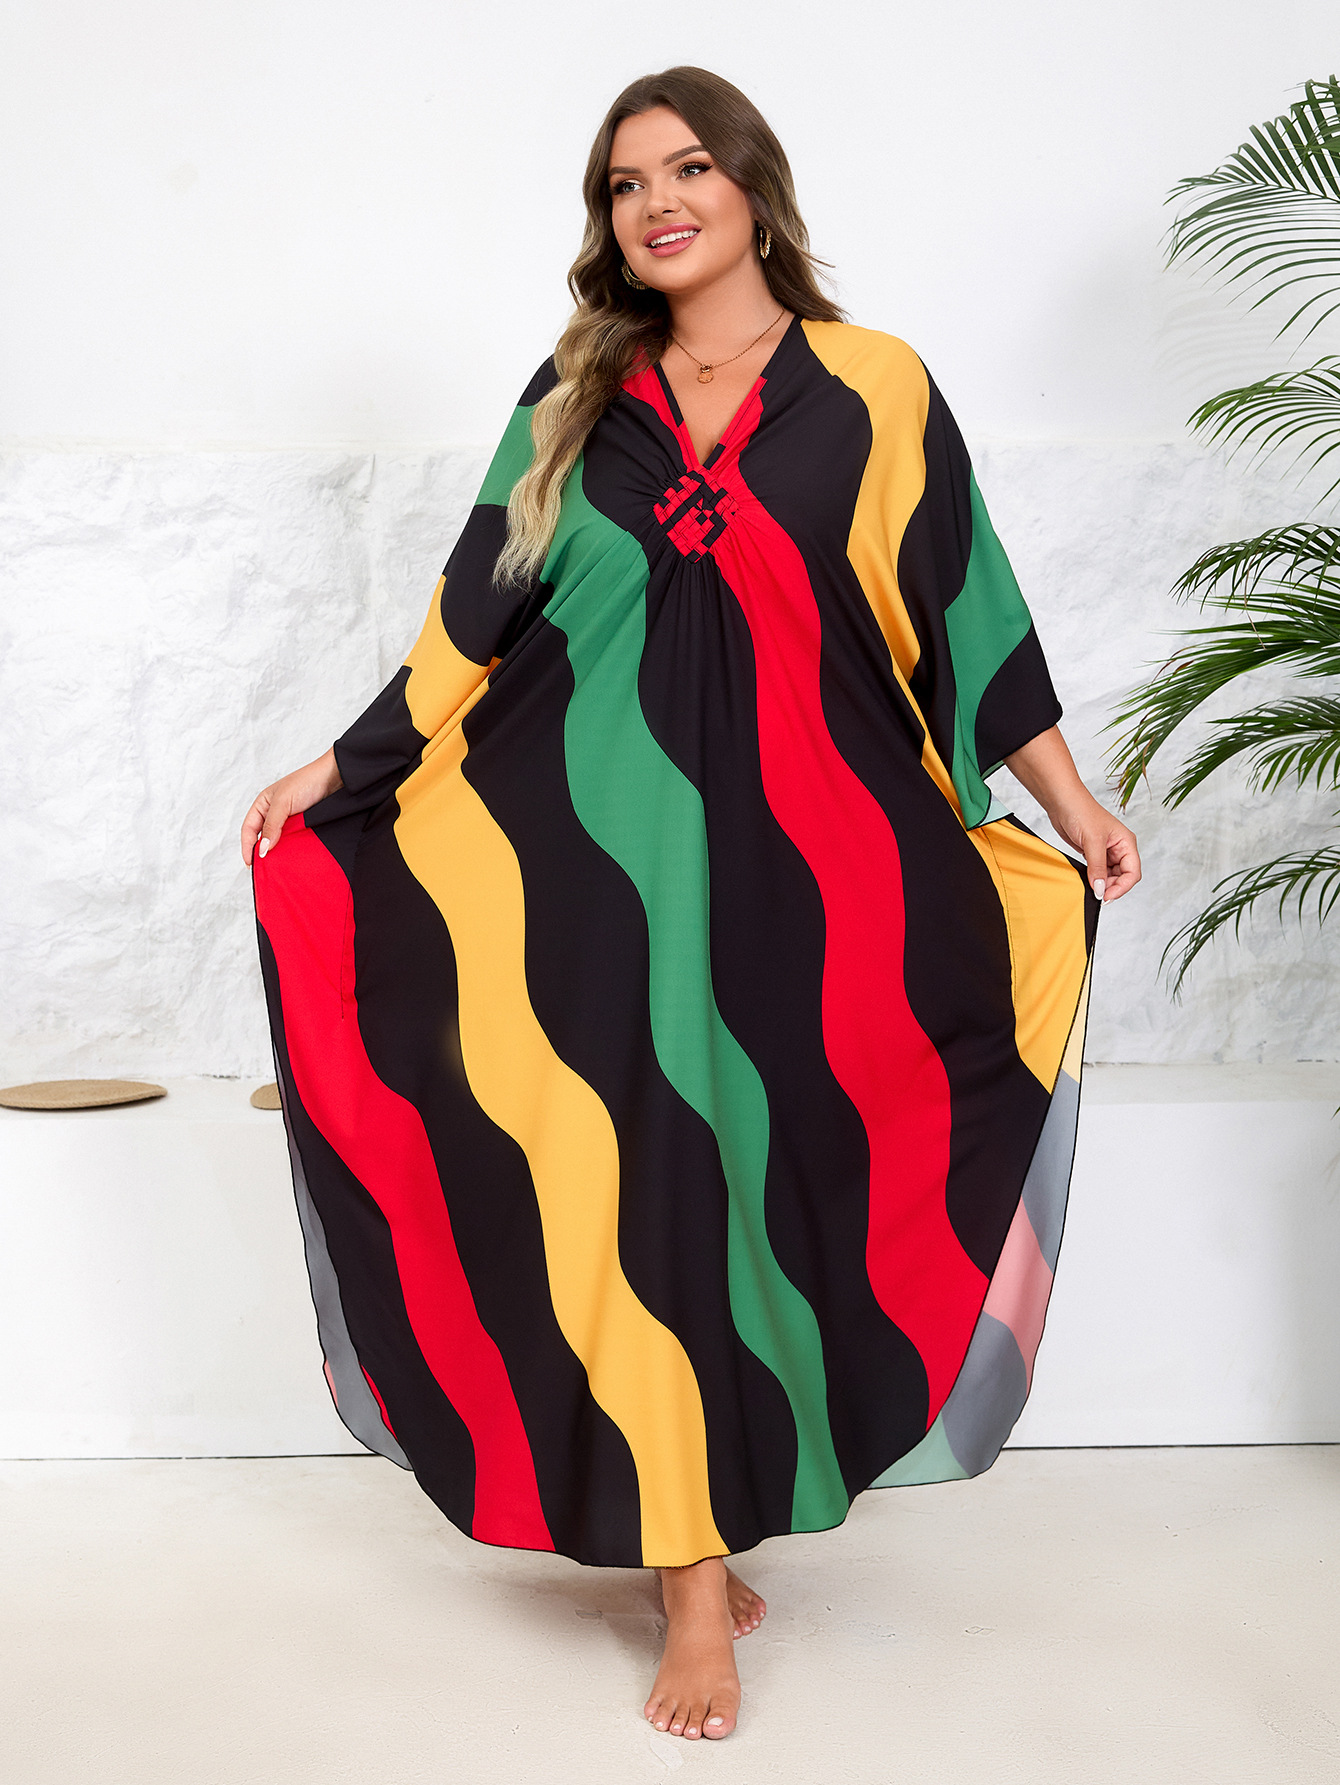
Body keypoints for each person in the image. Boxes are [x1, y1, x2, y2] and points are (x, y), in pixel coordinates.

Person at [240, 65, 1140, 1743]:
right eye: (623, 183)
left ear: (751, 188)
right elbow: (472, 618)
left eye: (686, 168)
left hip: (812, 879)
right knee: (641, 1187)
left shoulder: (874, 389)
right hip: (593, 872)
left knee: (762, 1197)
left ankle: (715, 1505)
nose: (656, 202)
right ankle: (692, 1583)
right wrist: (338, 769)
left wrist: (1073, 803)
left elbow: (970, 610)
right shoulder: (575, 396)